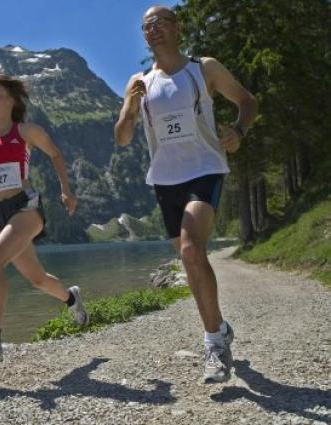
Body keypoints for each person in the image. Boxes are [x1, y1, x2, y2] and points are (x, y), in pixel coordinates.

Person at [114, 6, 257, 383]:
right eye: (147, 26)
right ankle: (221, 328)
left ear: (177, 28)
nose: (154, 29)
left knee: (193, 251)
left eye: (161, 22)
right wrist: (129, 106)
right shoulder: (139, 81)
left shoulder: (203, 68)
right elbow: (123, 137)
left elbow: (247, 101)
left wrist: (239, 132)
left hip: (205, 170)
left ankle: (213, 345)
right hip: (164, 181)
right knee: (191, 264)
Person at [0, 74, 89, 362]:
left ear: (11, 100)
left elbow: (56, 155)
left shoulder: (26, 131)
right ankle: (71, 299)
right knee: (37, 280)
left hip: (26, 207)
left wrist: (66, 191)